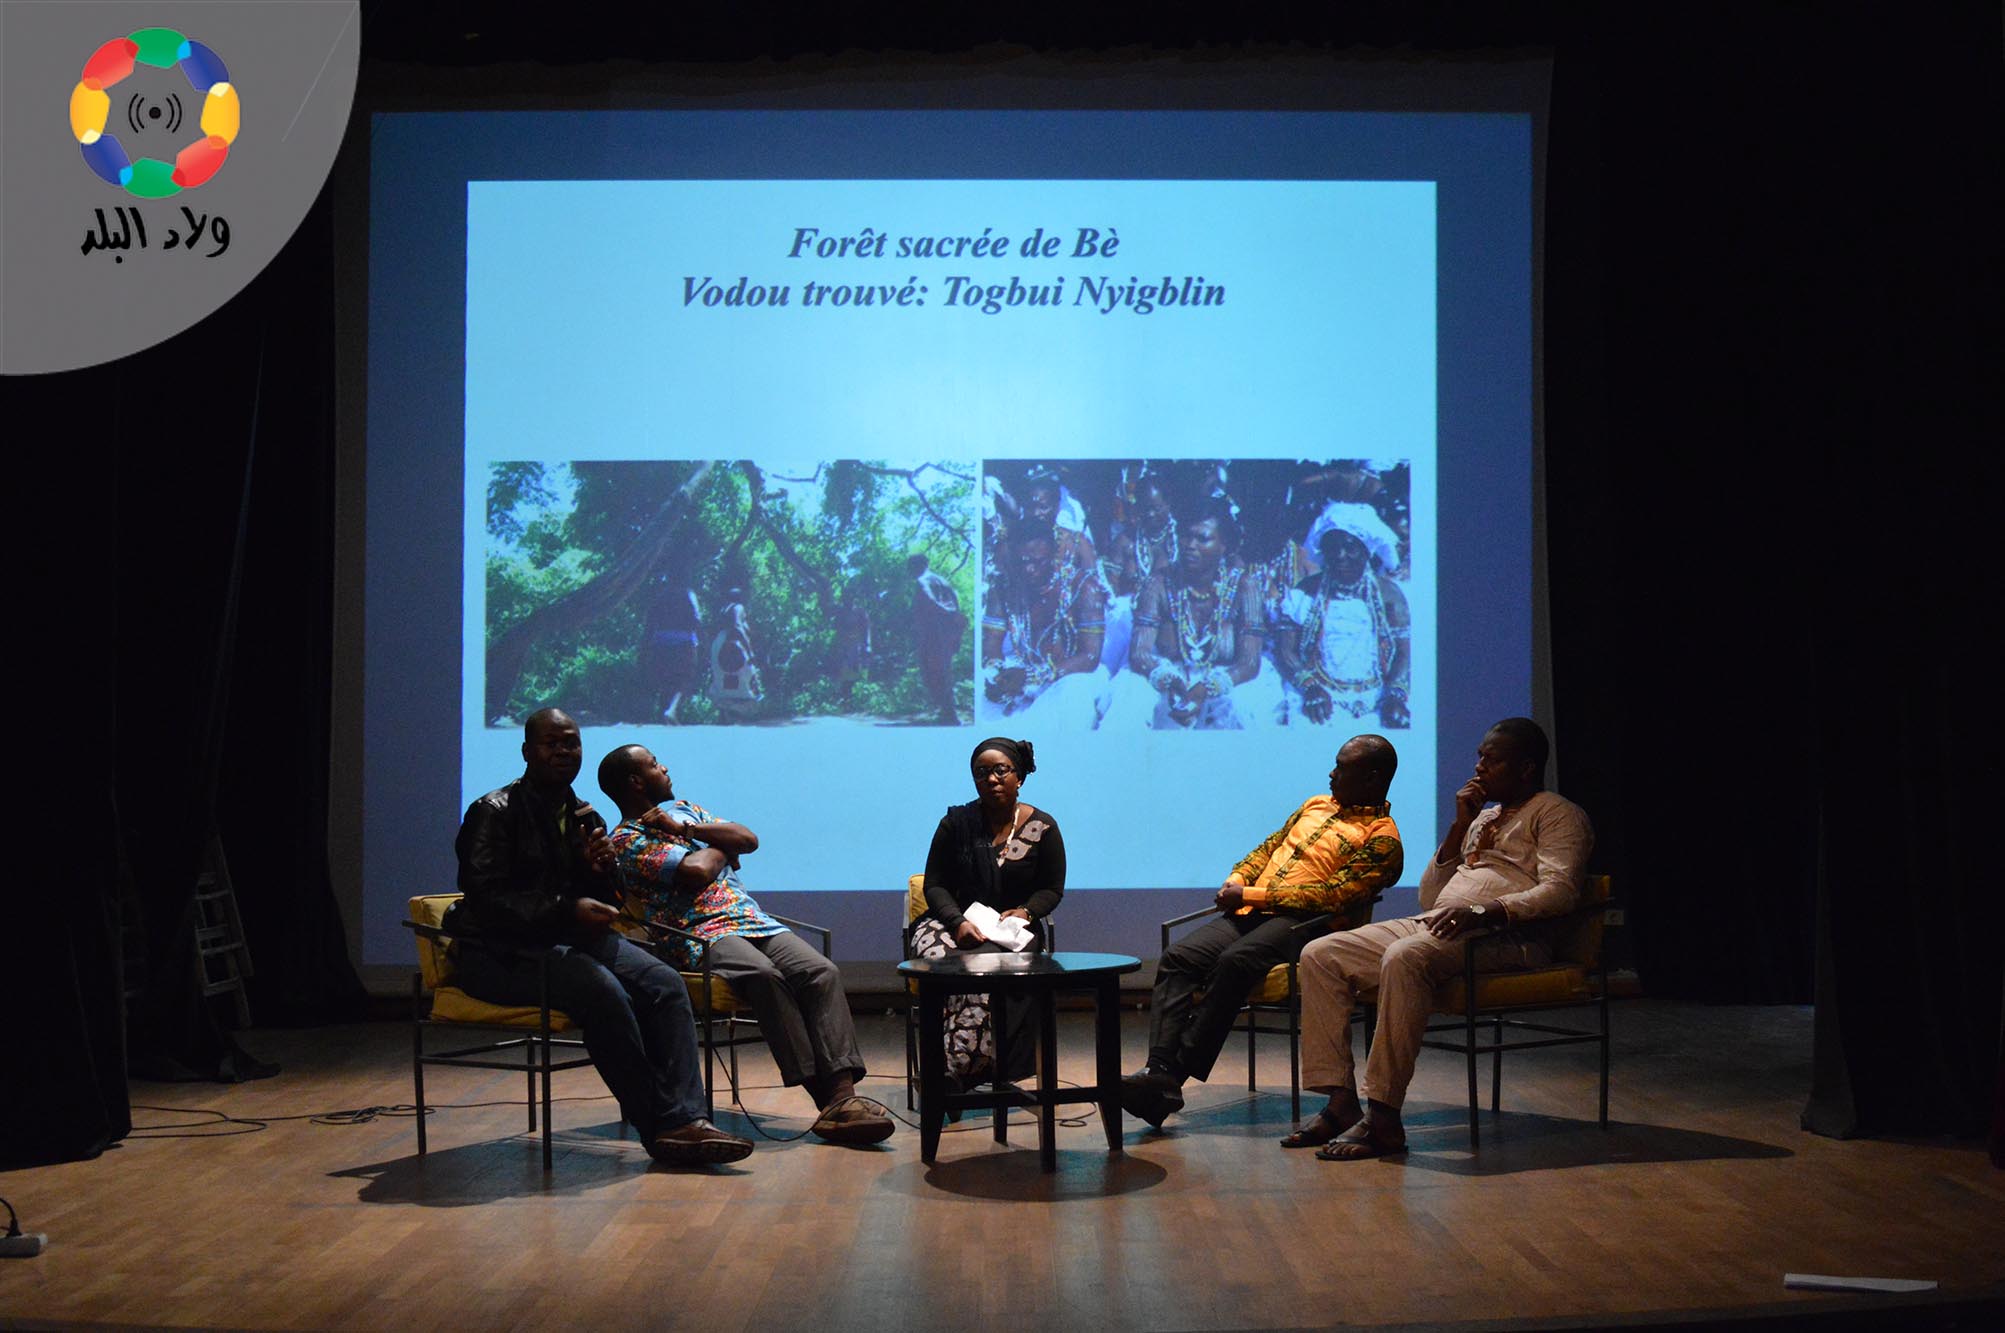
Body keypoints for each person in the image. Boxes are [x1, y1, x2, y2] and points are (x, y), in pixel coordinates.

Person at [449, 708, 753, 1165]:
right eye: (552, 743)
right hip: (498, 951)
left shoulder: (584, 816)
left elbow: (607, 898)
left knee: (665, 983)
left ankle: (689, 1118)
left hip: (567, 939)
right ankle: (663, 1127)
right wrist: (566, 908)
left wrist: (599, 873)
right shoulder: (493, 812)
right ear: (527, 751)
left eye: (571, 743)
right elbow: (486, 898)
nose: (563, 751)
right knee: (602, 990)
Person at [1288, 717, 1594, 1160]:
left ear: (1526, 767)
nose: (1479, 767)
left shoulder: (1558, 813)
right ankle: (1340, 1102)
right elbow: (1431, 897)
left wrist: (1485, 910)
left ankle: (1383, 1116)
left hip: (1505, 936)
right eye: (1479, 757)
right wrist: (1459, 827)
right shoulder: (1484, 817)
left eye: (1492, 760)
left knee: (1405, 957)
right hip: (1440, 924)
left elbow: (1561, 891)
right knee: (1321, 953)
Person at [597, 745, 895, 1145]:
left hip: (753, 920)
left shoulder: (687, 811)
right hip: (699, 932)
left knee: (820, 970)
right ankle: (830, 1102)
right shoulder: (626, 840)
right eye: (654, 765)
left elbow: (747, 838)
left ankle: (844, 1097)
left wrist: (687, 831)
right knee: (762, 974)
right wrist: (722, 849)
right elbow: (696, 871)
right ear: (635, 782)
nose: (664, 767)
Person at [1120, 736, 1404, 1128]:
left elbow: (1332, 896)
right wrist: (1239, 877)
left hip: (1308, 925)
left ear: (1372, 778)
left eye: (1341, 768)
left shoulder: (1383, 839)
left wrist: (1251, 894)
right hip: (1254, 911)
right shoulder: (1315, 804)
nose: (1331, 774)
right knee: (1179, 957)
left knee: (1235, 961)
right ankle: (1159, 1070)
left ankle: (1170, 1078)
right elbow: (1268, 848)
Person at [910, 738, 1066, 1087]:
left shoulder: (1043, 827)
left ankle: (957, 1070)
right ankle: (955, 1067)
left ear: (1019, 777)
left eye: (1000, 770)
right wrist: (958, 922)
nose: (991, 779)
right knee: (951, 966)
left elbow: (1052, 889)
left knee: (987, 965)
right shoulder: (956, 824)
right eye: (981, 773)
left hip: (1012, 928)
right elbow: (935, 884)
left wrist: (1026, 912)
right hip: (949, 921)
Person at [1104, 500, 1283, 729]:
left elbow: (1249, 662)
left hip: (1227, 678)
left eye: (1202, 539)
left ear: (1224, 545)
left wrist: (1207, 688)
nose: (1190, 545)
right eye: (1186, 536)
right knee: (1131, 694)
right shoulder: (1158, 583)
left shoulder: (1244, 587)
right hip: (1168, 674)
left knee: (1243, 707)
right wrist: (1169, 680)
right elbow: (1140, 653)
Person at [1275, 502, 1411, 728]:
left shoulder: (1389, 594)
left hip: (1379, 695)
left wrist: (1395, 696)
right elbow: (1285, 650)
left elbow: (1403, 653)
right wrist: (1310, 686)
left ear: (1366, 551)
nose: (1340, 556)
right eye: (1332, 548)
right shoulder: (1305, 592)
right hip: (1318, 693)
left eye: (1350, 548)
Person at [980, 528, 1111, 725]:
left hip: (1075, 675)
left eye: (1037, 561)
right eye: (1022, 562)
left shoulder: (1084, 587)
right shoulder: (1003, 587)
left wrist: (1033, 676)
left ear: (1054, 555)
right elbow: (991, 642)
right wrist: (995, 674)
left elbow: (1090, 657)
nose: (1029, 569)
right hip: (1022, 673)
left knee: (1068, 701)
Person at [909, 553, 966, 725]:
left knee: (931, 672)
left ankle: (949, 713)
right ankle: (948, 712)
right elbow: (956, 606)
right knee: (944, 670)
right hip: (947, 633)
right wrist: (956, 632)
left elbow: (929, 600)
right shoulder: (943, 581)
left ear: (917, 566)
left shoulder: (922, 580)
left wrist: (947, 614)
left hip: (932, 633)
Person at [638, 570, 702, 724]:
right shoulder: (689, 594)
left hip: (660, 642)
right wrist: (702, 641)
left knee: (665, 680)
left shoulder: (661, 596)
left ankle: (664, 715)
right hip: (684, 642)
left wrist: (644, 647)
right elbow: (696, 620)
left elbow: (650, 622)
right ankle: (671, 710)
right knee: (685, 679)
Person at [708, 587, 762, 718]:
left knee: (725, 681)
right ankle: (738, 711)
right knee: (746, 678)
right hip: (733, 644)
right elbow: (737, 626)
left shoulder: (724, 608)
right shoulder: (738, 607)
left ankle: (728, 712)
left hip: (718, 644)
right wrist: (750, 651)